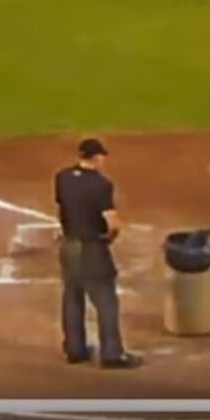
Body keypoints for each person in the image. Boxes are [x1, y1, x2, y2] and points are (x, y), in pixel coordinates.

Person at [55, 138, 142, 369]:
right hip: (92, 248)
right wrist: (109, 239)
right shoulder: (101, 184)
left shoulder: (62, 177)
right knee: (106, 301)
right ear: (96, 157)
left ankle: (75, 350)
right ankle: (112, 354)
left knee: (72, 297)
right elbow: (112, 223)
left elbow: (62, 209)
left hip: (68, 244)